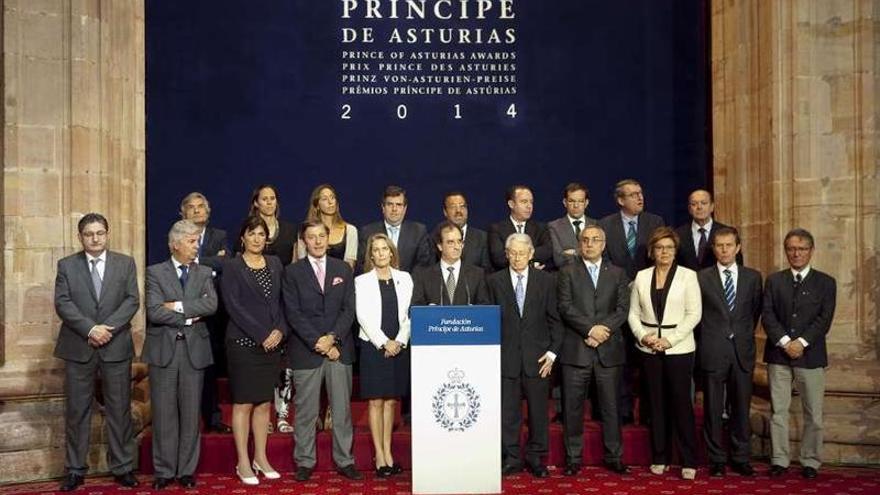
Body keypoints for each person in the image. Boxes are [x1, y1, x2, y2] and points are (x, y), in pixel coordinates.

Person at [53, 213, 140, 492]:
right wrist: (91, 329)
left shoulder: (125, 263)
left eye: (100, 232)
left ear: (107, 233)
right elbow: (63, 303)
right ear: (80, 237)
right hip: (80, 346)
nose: (95, 238)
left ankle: (123, 467)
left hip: (115, 347)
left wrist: (107, 329)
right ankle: (76, 470)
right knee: (77, 412)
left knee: (119, 410)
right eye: (89, 233)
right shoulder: (67, 265)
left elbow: (132, 300)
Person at [284, 221, 362, 482]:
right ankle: (305, 461)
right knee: (306, 412)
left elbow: (349, 310)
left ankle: (345, 460)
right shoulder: (292, 272)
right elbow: (292, 313)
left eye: (321, 236)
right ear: (303, 241)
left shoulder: (343, 269)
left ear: (328, 239)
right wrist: (317, 341)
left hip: (339, 349)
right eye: (311, 237)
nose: (317, 241)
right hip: (307, 350)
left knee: (342, 410)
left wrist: (331, 339)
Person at [143, 220, 218, 489]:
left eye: (197, 241)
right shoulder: (154, 272)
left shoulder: (205, 272)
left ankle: (186, 470)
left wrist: (174, 306)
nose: (196, 246)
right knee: (163, 414)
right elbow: (153, 310)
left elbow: (210, 305)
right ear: (175, 244)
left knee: (189, 413)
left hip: (194, 351)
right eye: (191, 241)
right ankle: (163, 471)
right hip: (163, 350)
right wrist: (188, 316)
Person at [556, 224, 631, 477]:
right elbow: (565, 307)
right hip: (577, 350)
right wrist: (590, 330)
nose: (589, 244)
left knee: (611, 408)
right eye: (585, 240)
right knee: (573, 408)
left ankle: (614, 456)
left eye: (595, 240)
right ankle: (573, 458)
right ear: (580, 244)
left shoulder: (618, 273)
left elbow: (622, 309)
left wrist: (602, 331)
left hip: (608, 351)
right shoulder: (567, 272)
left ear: (604, 244)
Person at [628, 227, 701, 480]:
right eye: (660, 248)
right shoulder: (641, 276)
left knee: (681, 403)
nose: (665, 252)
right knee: (655, 405)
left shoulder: (688, 276)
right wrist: (644, 336)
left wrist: (670, 340)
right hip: (648, 348)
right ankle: (660, 456)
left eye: (669, 247)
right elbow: (633, 314)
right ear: (652, 251)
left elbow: (694, 314)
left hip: (679, 348)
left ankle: (689, 460)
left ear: (675, 250)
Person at [487, 233, 563, 478]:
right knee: (508, 413)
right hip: (505, 358)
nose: (518, 258)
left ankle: (536, 457)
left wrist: (552, 353)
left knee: (539, 412)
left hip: (539, 360)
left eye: (523, 253)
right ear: (506, 254)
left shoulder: (546, 281)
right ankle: (511, 458)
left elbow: (556, 321)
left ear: (531, 254)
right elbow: (488, 323)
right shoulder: (493, 281)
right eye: (513, 253)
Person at [763, 228, 836, 480]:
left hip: (811, 355)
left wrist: (801, 343)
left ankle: (811, 461)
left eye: (802, 248)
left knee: (813, 413)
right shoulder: (774, 280)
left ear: (811, 251)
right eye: (792, 248)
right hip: (778, 355)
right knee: (778, 411)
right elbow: (768, 315)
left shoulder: (826, 282)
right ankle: (779, 460)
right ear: (786, 251)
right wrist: (785, 342)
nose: (796, 253)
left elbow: (824, 319)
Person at [220, 216, 287, 485]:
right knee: (244, 403)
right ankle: (243, 462)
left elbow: (285, 301)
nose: (257, 238)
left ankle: (260, 456)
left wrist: (280, 330)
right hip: (243, 344)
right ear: (243, 238)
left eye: (262, 234)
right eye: (252, 233)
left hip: (272, 344)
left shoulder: (275, 264)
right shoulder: (233, 267)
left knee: (263, 404)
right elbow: (233, 306)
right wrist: (262, 335)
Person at [599, 178, 665, 424]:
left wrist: (640, 285)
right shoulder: (605, 224)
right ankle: (624, 411)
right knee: (622, 359)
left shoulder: (655, 222)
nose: (640, 198)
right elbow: (604, 261)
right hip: (616, 299)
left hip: (649, 299)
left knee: (649, 359)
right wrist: (624, 284)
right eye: (633, 194)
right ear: (620, 200)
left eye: (641, 193)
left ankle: (649, 412)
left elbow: (660, 257)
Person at [697, 226, 762, 477]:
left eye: (728, 245)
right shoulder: (702, 277)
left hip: (742, 351)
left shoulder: (753, 277)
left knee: (741, 408)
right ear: (713, 249)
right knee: (713, 408)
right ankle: (716, 459)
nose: (724, 250)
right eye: (719, 245)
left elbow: (754, 312)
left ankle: (740, 457)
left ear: (738, 247)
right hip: (713, 349)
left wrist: (741, 334)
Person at [355, 233, 412, 477]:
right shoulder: (362, 281)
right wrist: (384, 343)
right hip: (373, 347)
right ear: (371, 255)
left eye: (384, 249)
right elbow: (363, 316)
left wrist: (398, 341)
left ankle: (388, 452)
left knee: (391, 401)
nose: (380, 253)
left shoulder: (405, 278)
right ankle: (379, 455)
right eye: (375, 250)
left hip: (398, 346)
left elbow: (410, 314)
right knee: (376, 401)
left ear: (391, 253)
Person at [179, 191, 232, 434]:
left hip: (212, 314)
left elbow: (225, 265)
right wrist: (211, 262)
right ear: (183, 213)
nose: (197, 210)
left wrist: (198, 261)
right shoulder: (176, 236)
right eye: (192, 207)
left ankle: (212, 417)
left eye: (201, 206)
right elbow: (179, 264)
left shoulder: (219, 235)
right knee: (186, 367)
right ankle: (186, 420)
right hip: (183, 311)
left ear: (208, 212)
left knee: (209, 366)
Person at [412, 221, 490, 306]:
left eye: (459, 241)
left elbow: (485, 309)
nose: (457, 247)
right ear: (440, 246)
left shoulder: (477, 275)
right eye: (451, 242)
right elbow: (416, 310)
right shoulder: (424, 277)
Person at [358, 185, 433, 273]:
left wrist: (406, 281)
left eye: (398, 205)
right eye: (390, 204)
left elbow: (424, 263)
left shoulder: (418, 231)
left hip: (410, 283)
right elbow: (363, 262)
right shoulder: (368, 232)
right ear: (383, 208)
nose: (394, 209)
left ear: (405, 209)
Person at [488, 185, 554, 271]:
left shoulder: (541, 228)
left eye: (531, 202)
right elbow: (499, 258)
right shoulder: (497, 229)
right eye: (524, 202)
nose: (529, 206)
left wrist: (516, 255)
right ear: (511, 204)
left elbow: (547, 251)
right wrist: (529, 264)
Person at [674, 189, 742, 270]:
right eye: (694, 204)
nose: (699, 207)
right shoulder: (678, 234)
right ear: (689, 209)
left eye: (704, 203)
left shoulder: (728, 232)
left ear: (712, 207)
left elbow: (737, 264)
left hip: (717, 281)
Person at [297, 183, 358, 269]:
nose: (330, 202)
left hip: (341, 279)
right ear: (317, 205)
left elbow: (349, 267)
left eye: (332, 198)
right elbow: (302, 264)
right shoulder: (305, 230)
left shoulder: (350, 230)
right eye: (324, 199)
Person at [434, 191, 491, 270]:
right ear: (445, 212)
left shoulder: (482, 238)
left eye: (462, 206)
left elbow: (487, 271)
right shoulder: (435, 237)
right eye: (453, 207)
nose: (458, 211)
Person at [246, 184, 297, 266]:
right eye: (264, 199)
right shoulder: (248, 230)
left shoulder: (290, 230)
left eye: (272, 198)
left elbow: (295, 262)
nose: (269, 202)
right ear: (256, 203)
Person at [548, 182, 597, 269]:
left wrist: (574, 252)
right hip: (567, 278)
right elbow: (559, 259)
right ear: (565, 202)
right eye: (571, 201)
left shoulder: (597, 225)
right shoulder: (554, 227)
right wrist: (588, 253)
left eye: (580, 201)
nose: (576, 205)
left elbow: (600, 256)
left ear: (586, 203)